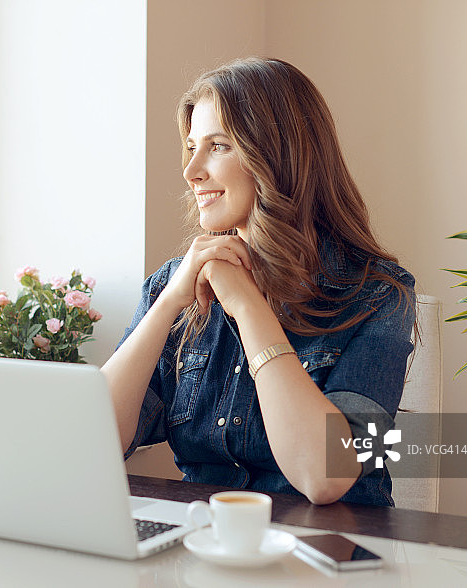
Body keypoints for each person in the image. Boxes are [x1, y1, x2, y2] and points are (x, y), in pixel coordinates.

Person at [101, 57, 415, 507]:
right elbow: (97, 442)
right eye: (192, 147)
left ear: (276, 155)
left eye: (219, 146)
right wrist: (168, 302)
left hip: (329, 555)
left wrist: (248, 307)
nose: (192, 171)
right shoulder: (173, 286)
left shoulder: (379, 295)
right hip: (207, 548)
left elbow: (325, 476)